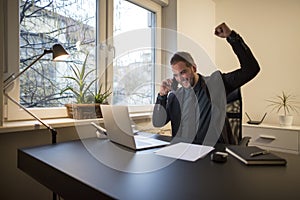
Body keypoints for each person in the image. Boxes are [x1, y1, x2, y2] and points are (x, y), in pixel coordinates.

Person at [152, 22, 260, 145]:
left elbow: (251, 69)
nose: (180, 79)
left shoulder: (215, 84)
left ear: (194, 68)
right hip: (182, 153)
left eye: (183, 73)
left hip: (211, 153)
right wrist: (162, 95)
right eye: (176, 75)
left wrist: (232, 37)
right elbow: (158, 122)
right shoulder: (175, 96)